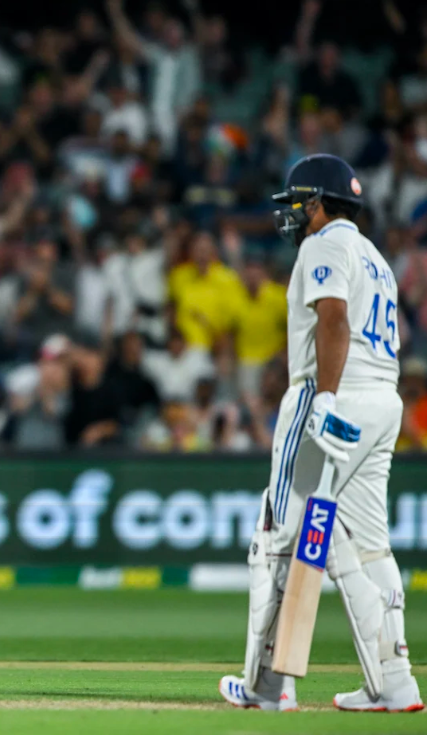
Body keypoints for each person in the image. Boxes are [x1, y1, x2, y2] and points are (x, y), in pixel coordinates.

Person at [219, 154, 423, 713]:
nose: (291, 214)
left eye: (297, 202)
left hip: (333, 392)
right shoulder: (375, 256)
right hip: (383, 399)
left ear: (319, 202)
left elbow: (333, 318)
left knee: (279, 532)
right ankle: (396, 678)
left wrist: (326, 398)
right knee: (367, 539)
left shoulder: (325, 243)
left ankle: (269, 684)